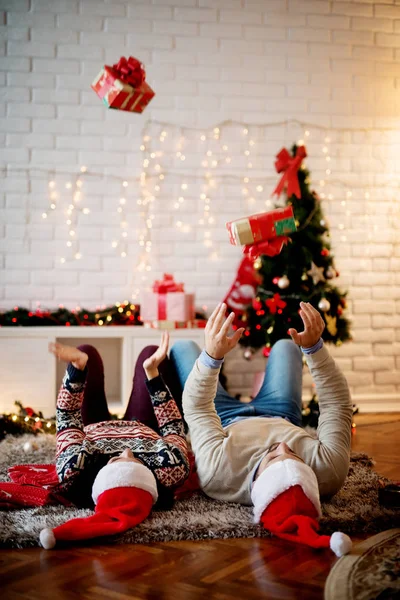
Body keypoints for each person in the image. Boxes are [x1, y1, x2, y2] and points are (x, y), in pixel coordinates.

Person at [169, 301, 352, 511]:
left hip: (222, 418)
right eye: (295, 455)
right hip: (280, 413)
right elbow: (337, 406)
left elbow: (198, 407)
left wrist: (212, 357)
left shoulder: (218, 472)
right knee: (287, 345)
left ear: (256, 482)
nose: (283, 446)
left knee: (183, 346)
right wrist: (314, 348)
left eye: (274, 457)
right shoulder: (329, 471)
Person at [49, 332, 190, 509]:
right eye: (137, 461)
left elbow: (67, 416)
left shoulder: (74, 469)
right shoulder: (170, 468)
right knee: (151, 353)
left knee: (86, 353)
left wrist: (77, 367)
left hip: (93, 425)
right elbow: (174, 427)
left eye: (115, 460)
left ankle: (82, 360)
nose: (127, 451)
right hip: (143, 424)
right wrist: (152, 375)